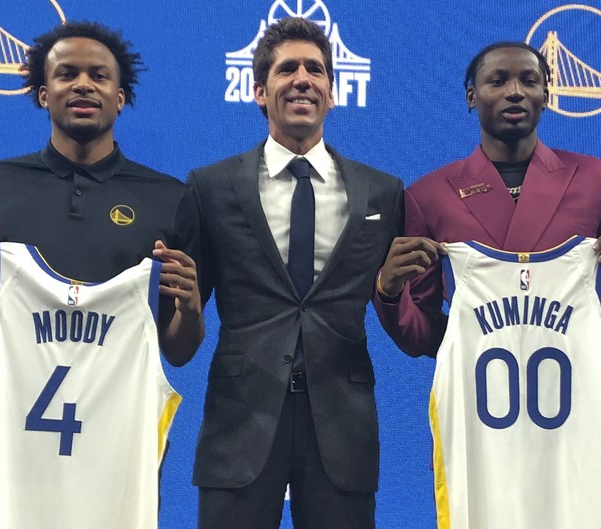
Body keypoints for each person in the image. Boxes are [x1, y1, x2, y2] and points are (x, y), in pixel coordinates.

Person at [373, 41, 601, 527]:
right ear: (471, 96)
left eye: (529, 80)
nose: (515, 92)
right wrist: (388, 293)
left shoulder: (599, 180)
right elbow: (426, 337)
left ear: (547, 94)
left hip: (576, 439)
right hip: (482, 440)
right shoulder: (429, 196)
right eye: (498, 80)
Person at [0, 21, 202, 527]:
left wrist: (189, 308)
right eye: (66, 74)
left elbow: (179, 350)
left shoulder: (169, 201)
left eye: (98, 76)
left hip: (112, 467)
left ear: (120, 97)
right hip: (12, 468)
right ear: (42, 93)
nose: (82, 85)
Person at [187, 17, 403, 529]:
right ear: (259, 92)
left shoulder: (383, 193)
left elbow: (403, 315)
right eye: (287, 69)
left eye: (315, 69)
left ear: (332, 92)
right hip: (239, 420)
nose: (302, 79)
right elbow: (183, 323)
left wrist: (392, 293)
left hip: (343, 424)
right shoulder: (210, 187)